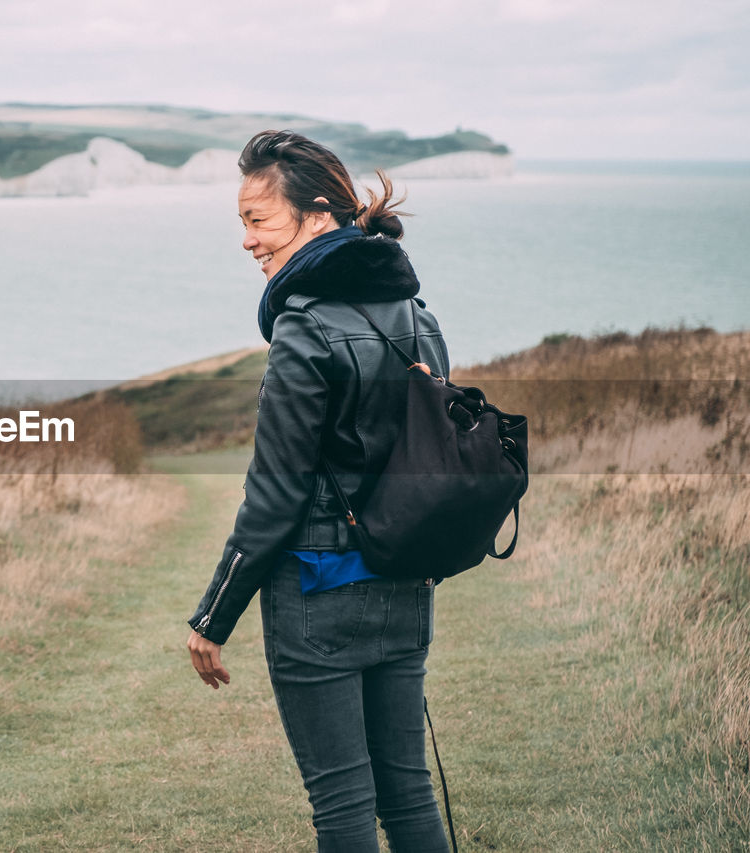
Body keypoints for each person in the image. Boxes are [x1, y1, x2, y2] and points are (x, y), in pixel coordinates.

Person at [186, 130, 453, 853]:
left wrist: (213, 615)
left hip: (316, 591)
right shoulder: (419, 319)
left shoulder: (302, 331)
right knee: (407, 792)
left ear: (317, 216)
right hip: (404, 580)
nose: (246, 240)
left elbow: (274, 497)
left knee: (341, 803)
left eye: (257, 219)